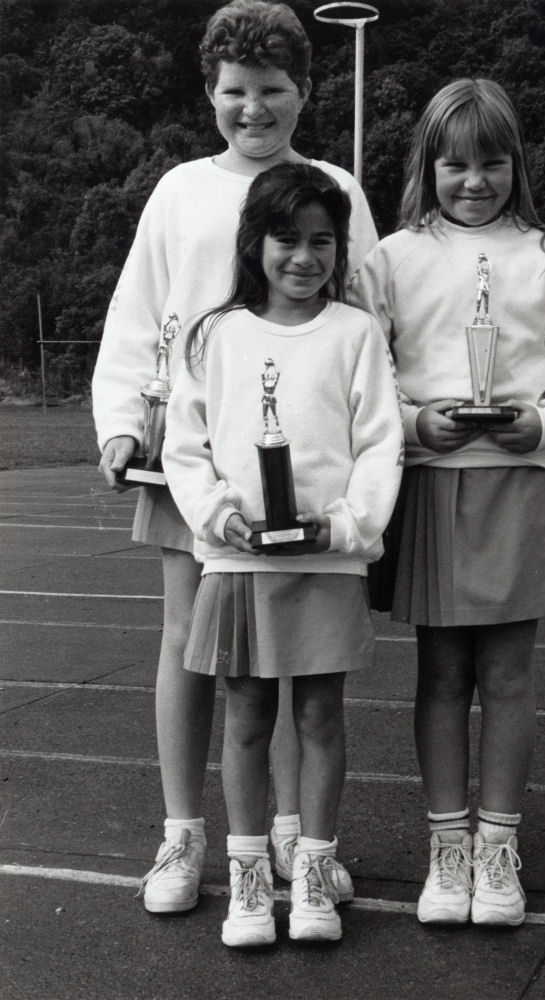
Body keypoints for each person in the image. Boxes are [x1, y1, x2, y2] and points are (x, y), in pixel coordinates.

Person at [91, 0, 378, 916]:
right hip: (196, 458)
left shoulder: (332, 183)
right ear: (210, 91)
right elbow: (138, 314)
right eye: (235, 91)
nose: (254, 109)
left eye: (274, 91)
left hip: (307, 462)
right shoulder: (179, 190)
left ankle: (294, 833)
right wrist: (119, 424)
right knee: (191, 640)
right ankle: (183, 835)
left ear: (305, 91)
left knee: (293, 653)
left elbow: (373, 308)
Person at [351, 78, 545, 928]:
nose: (474, 181)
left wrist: (542, 423)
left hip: (519, 482)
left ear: (516, 165)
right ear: (427, 167)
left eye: (492, 164)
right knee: (441, 675)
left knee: (506, 674)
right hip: (431, 483)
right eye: (455, 165)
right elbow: (361, 378)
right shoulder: (391, 257)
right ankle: (449, 846)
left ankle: (498, 848)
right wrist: (412, 424)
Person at [161, 162, 403, 945]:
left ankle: (314, 877)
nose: (304, 257)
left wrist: (347, 523)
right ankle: (248, 883)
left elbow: (379, 445)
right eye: (286, 239)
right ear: (254, 243)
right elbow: (186, 448)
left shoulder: (356, 333)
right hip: (238, 563)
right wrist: (217, 515)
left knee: (322, 715)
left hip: (326, 558)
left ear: (341, 248)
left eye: (322, 241)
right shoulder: (216, 334)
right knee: (247, 717)